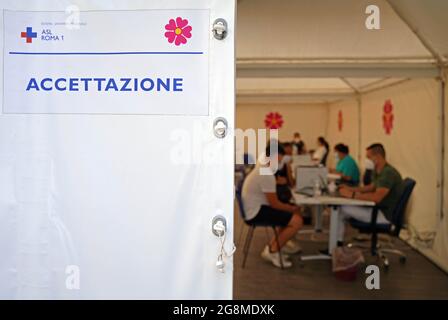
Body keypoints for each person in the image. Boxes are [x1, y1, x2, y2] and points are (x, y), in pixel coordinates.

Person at [242, 143, 304, 268]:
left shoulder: (262, 169)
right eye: (279, 160)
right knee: (297, 220)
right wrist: (292, 208)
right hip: (256, 213)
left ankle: (273, 247)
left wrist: (290, 209)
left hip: (254, 209)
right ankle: (273, 251)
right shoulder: (266, 174)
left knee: (289, 215)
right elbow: (274, 204)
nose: (279, 164)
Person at [337, 143, 403, 246]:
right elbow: (370, 187)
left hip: (383, 214)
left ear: (378, 156)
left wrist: (352, 195)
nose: (367, 160)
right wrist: (350, 189)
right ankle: (337, 244)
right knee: (341, 209)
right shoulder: (379, 170)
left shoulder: (388, 173)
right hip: (377, 209)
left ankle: (336, 245)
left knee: (341, 209)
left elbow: (376, 198)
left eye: (368, 157)